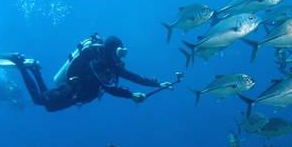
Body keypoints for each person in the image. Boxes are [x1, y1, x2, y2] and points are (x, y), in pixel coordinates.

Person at [9, 34, 171, 112]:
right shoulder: (97, 62)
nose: (120, 56)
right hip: (71, 89)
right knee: (39, 100)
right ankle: (21, 65)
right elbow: (108, 88)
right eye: (119, 52)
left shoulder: (113, 66)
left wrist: (157, 84)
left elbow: (135, 77)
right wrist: (131, 95)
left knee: (49, 108)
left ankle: (35, 70)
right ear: (112, 50)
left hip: (78, 97)